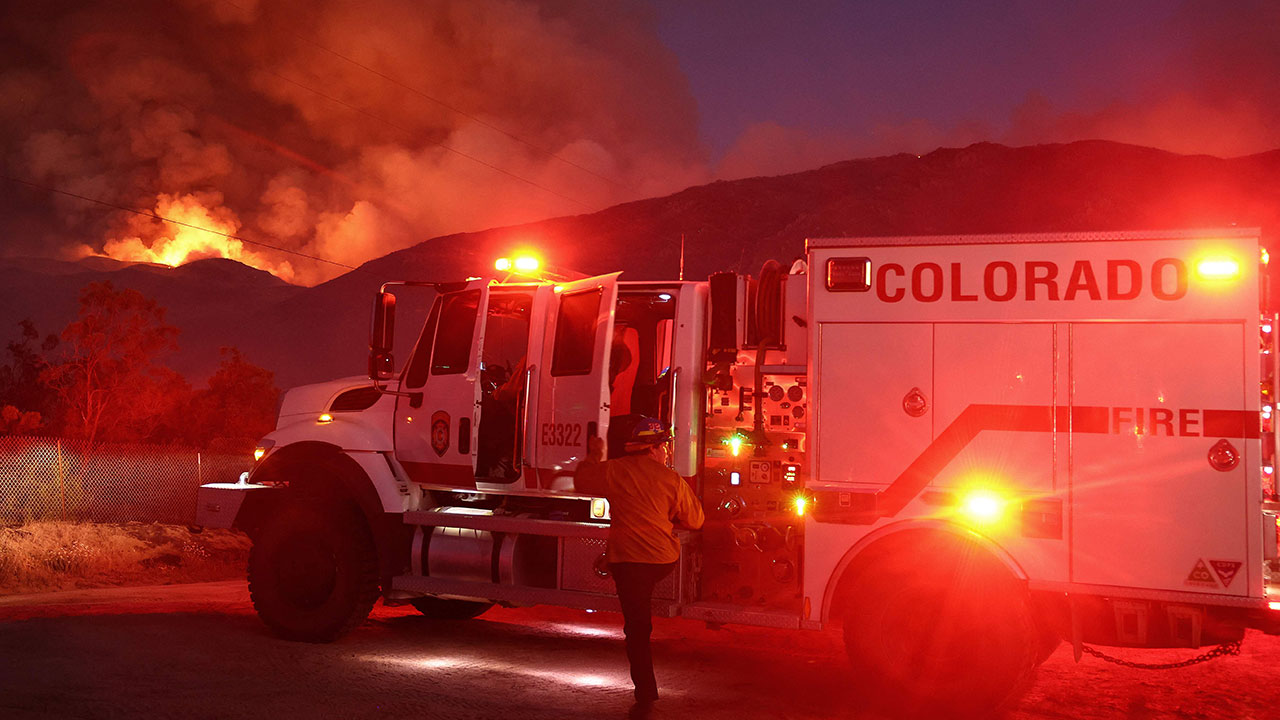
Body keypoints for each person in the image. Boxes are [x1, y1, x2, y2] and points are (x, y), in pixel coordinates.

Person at [574, 415, 704, 709]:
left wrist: (594, 454)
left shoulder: (614, 471)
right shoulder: (672, 479)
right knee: (640, 610)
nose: (667, 452)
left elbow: (581, 480)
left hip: (628, 562)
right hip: (661, 560)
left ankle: (646, 690)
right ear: (655, 448)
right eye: (665, 447)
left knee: (636, 627)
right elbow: (695, 520)